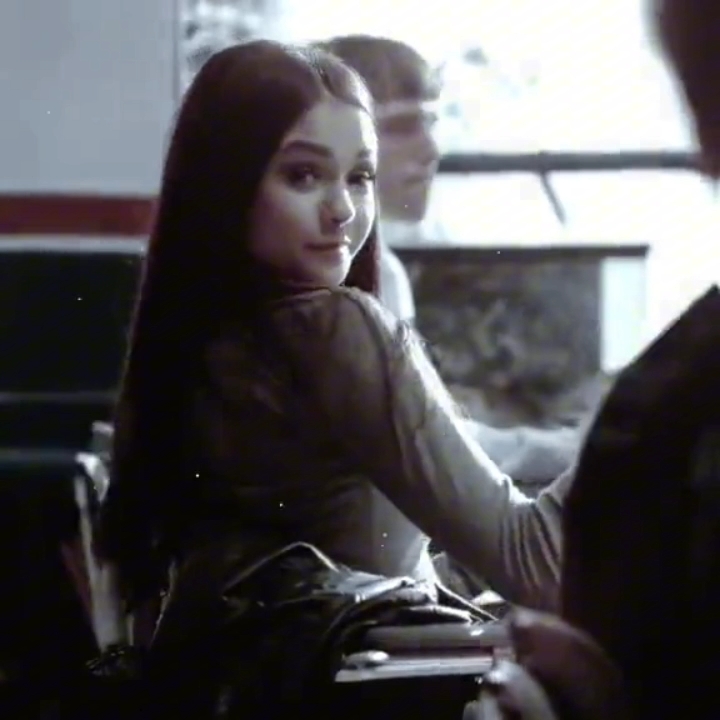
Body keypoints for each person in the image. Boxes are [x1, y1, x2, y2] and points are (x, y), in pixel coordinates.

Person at [97, 40, 574, 655]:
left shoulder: (199, 337)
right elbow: (538, 566)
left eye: (359, 177)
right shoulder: (332, 329)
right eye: (303, 175)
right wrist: (636, 424)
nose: (343, 209)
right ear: (227, 186)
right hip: (383, 687)